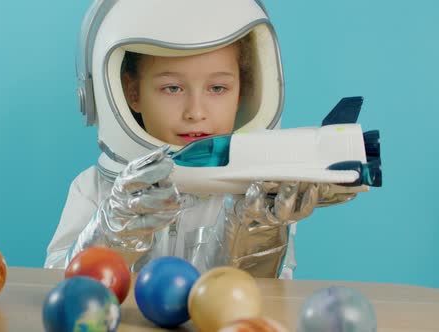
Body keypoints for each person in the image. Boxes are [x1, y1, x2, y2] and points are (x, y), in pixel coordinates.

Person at [44, 0, 352, 278]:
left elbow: (267, 296)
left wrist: (257, 232)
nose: (196, 112)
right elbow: (56, 280)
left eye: (217, 88)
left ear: (243, 91)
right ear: (132, 92)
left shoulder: (259, 196)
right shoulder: (94, 189)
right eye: (172, 88)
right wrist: (112, 230)